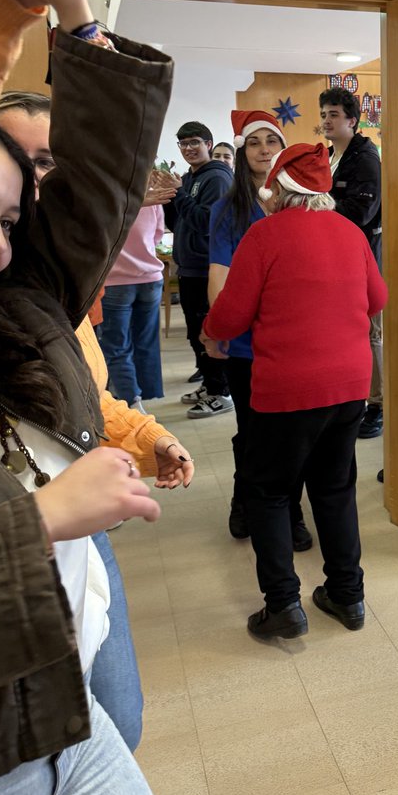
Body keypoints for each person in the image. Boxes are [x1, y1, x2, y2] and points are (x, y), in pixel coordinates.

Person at [0, 0, 181, 795]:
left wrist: (76, 17)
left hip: (67, 733)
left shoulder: (13, 308)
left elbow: (99, 188)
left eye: (6, 212)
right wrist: (39, 521)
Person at [203, 143, 387, 639]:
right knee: (334, 488)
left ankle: (283, 605)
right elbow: (378, 298)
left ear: (280, 189)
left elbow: (230, 315)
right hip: (349, 385)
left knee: (268, 491)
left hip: (286, 390)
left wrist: (210, 331)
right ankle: (348, 596)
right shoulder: (350, 232)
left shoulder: (264, 236)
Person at [208, 110, 313, 551]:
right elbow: (219, 275)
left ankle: (290, 509)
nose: (264, 149)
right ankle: (244, 499)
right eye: (255, 142)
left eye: (272, 140)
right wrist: (220, 330)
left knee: (290, 434)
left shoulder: (301, 204)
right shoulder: (227, 208)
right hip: (247, 343)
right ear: (241, 150)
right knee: (252, 430)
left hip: (291, 344)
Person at [319, 86, 383, 442]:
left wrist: (320, 208)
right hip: (333, 258)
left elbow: (362, 211)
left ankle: (378, 405)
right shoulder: (328, 156)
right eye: (324, 115)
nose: (327, 121)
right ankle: (354, 398)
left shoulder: (365, 157)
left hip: (363, 258)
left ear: (353, 120)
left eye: (334, 115)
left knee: (372, 333)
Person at [163, 120, 235, 417]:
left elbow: (207, 223)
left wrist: (178, 194)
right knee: (196, 333)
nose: (189, 148)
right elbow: (177, 222)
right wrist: (170, 197)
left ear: (208, 143)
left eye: (195, 142)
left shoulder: (216, 178)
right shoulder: (192, 177)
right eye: (183, 143)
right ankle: (210, 383)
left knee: (210, 332)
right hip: (190, 267)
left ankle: (222, 392)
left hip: (208, 269)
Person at [100, 202, 169, 410]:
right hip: (150, 277)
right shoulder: (150, 196)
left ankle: (131, 400)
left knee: (117, 345)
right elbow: (158, 234)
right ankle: (146, 392)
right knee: (146, 341)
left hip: (115, 280)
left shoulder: (105, 195)